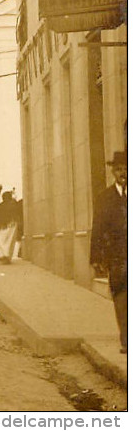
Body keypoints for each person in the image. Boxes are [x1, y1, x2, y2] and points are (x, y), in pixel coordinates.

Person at [91, 151, 127, 353]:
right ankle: (127, 340)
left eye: (126, 169)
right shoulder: (104, 197)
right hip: (117, 258)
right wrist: (96, 258)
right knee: (121, 297)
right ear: (113, 172)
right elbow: (97, 228)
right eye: (119, 169)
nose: (123, 173)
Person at [0, 191, 22, 263]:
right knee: (10, 242)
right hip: (11, 225)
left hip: (1, 227)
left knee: (0, 241)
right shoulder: (14, 205)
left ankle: (2, 255)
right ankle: (7, 256)